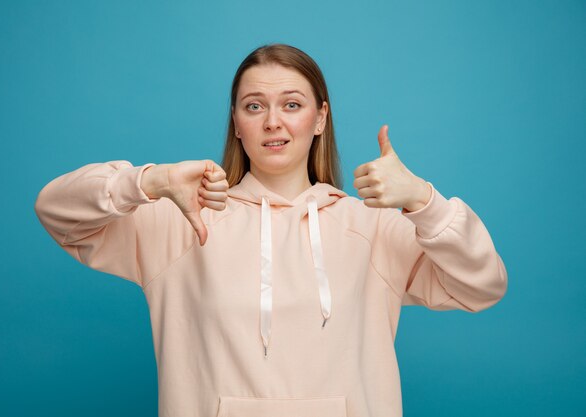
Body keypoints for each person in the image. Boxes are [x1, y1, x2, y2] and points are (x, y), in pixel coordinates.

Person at [35, 43, 508, 417]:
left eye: (292, 104)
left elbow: (482, 286)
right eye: (254, 106)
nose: (273, 121)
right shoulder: (183, 221)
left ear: (320, 117)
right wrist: (149, 181)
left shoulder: (373, 228)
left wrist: (423, 201)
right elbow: (57, 211)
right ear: (237, 124)